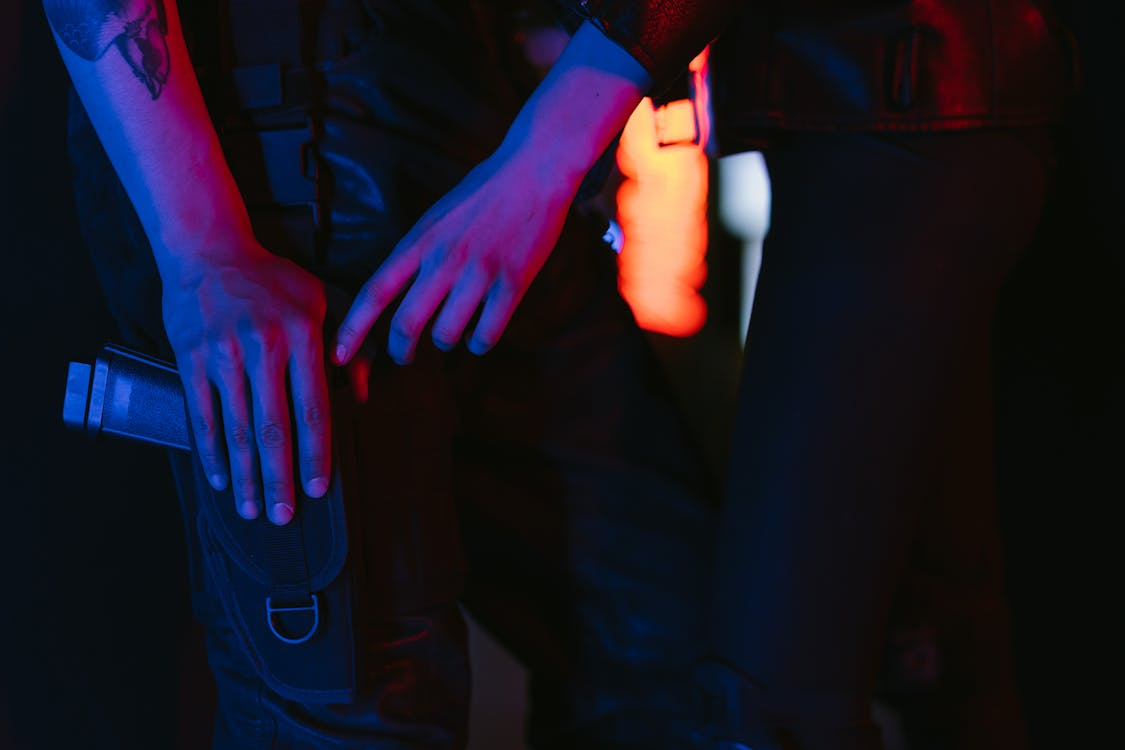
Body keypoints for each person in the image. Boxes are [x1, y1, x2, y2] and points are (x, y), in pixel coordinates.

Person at [332, 1, 1075, 748]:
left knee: (773, 699)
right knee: (942, 646)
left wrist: (537, 163)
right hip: (921, 107)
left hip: (894, 118)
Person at [46, 0, 728, 747]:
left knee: (687, 675)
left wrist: (543, 159)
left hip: (489, 153)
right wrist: (204, 248)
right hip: (276, 173)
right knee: (354, 701)